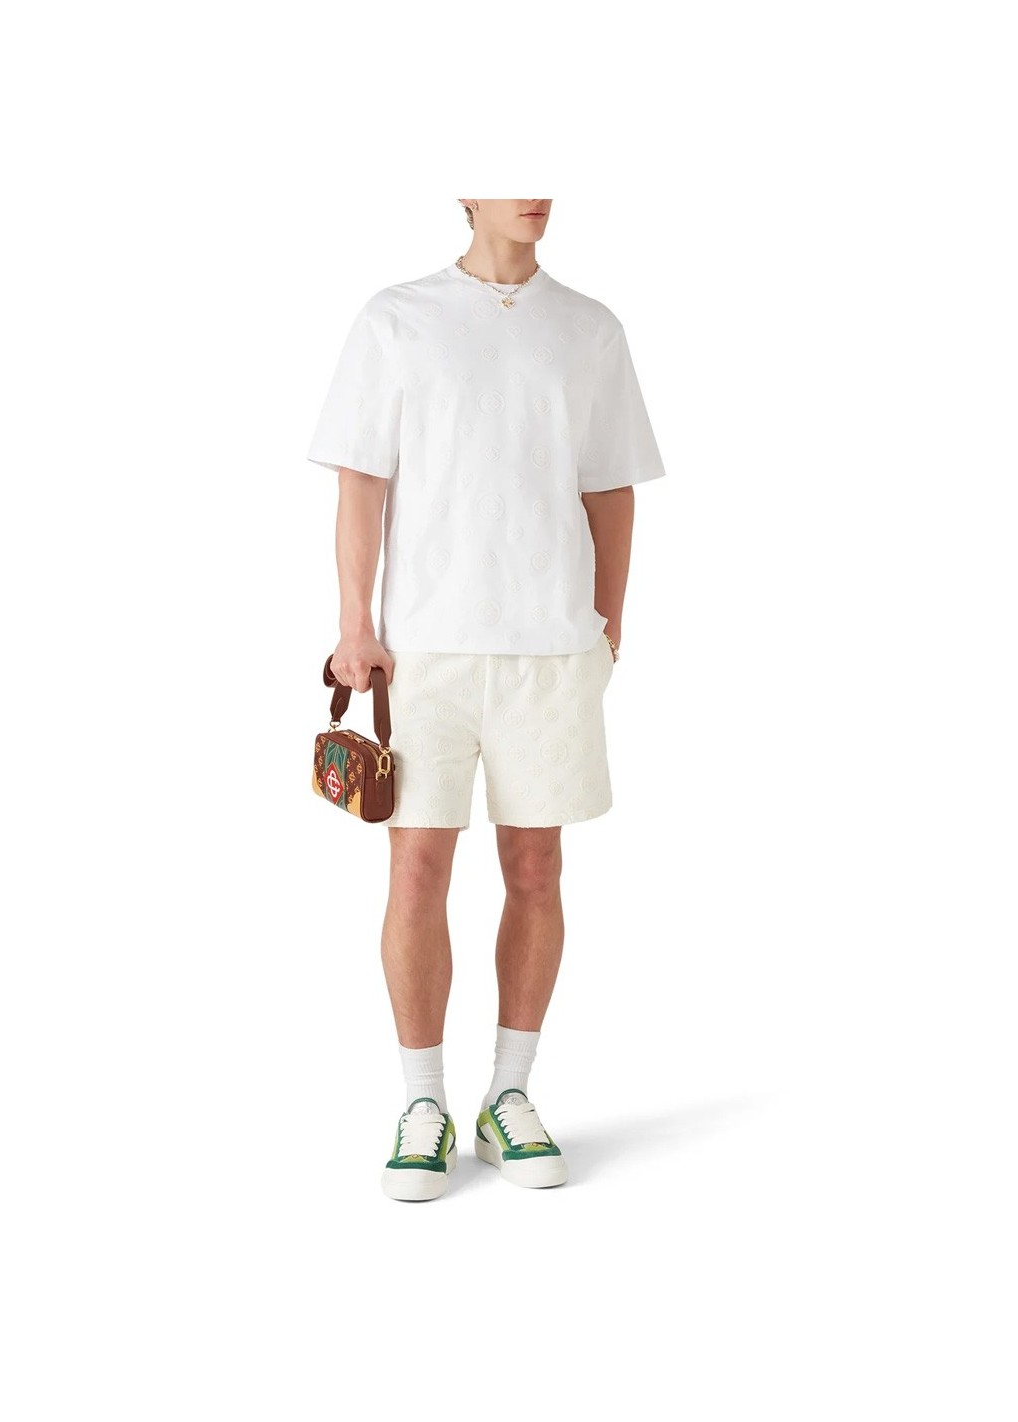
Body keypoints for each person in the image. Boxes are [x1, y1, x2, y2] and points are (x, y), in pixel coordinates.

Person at [307, 198, 666, 1201]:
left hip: (550, 652)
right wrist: (354, 625)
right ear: (463, 188)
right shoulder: (397, 318)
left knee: (537, 867)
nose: (532, 191)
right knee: (416, 868)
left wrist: (607, 626)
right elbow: (361, 481)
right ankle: (421, 1102)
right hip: (425, 650)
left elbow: (610, 489)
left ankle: (509, 1094)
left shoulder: (589, 328)